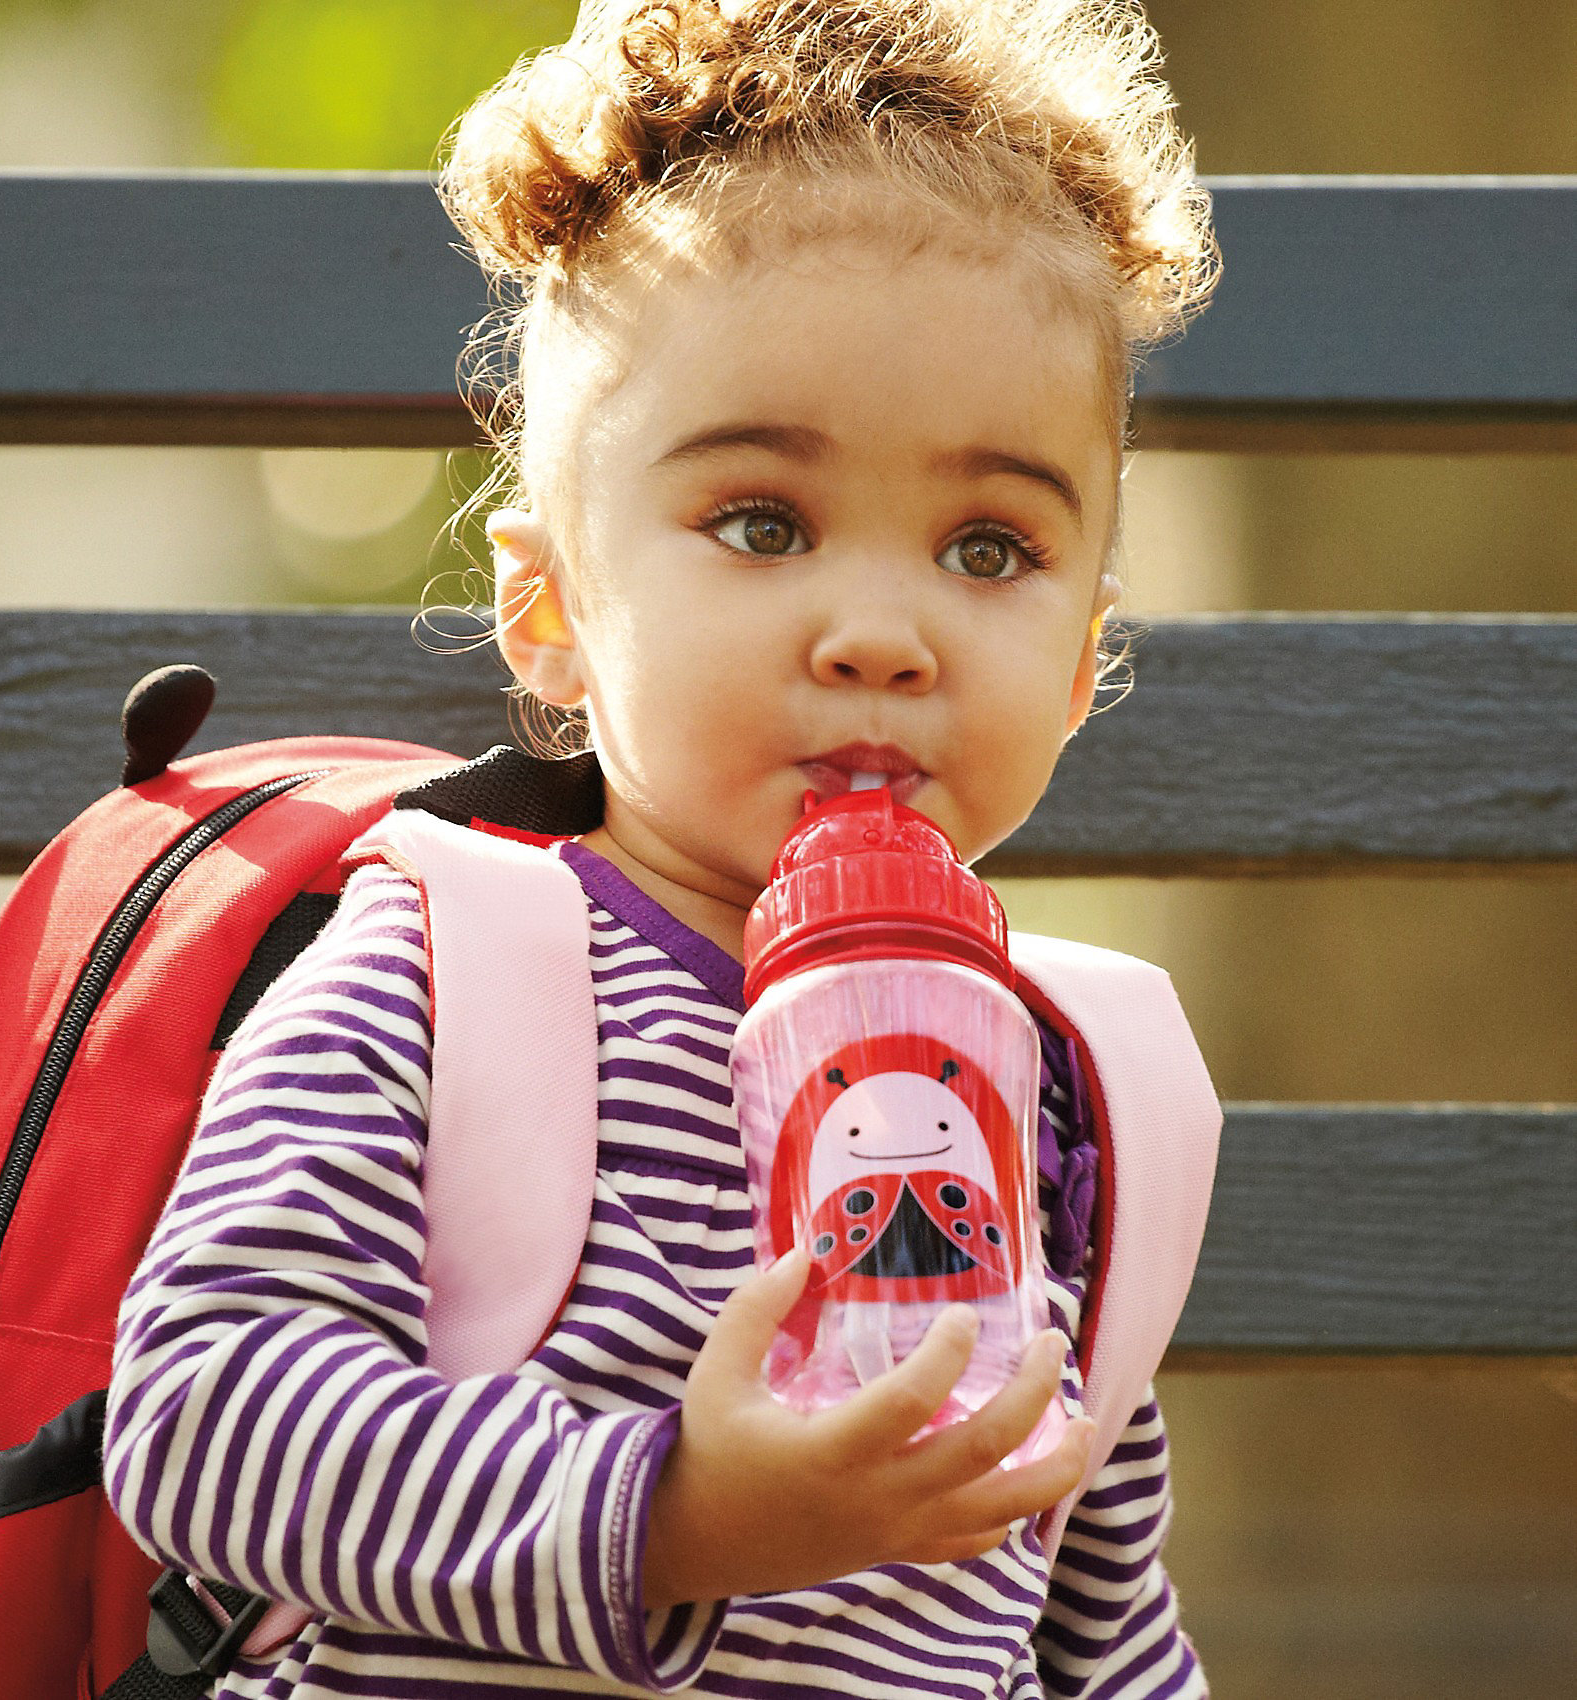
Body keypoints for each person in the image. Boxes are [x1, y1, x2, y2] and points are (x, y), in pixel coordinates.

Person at [103, 0, 1220, 1693]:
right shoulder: (449, 975)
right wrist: (673, 1516)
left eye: (990, 548)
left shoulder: (1075, 1097)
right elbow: (205, 1423)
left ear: (1083, 662)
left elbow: (1105, 1637)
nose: (881, 631)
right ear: (545, 604)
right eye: (762, 524)